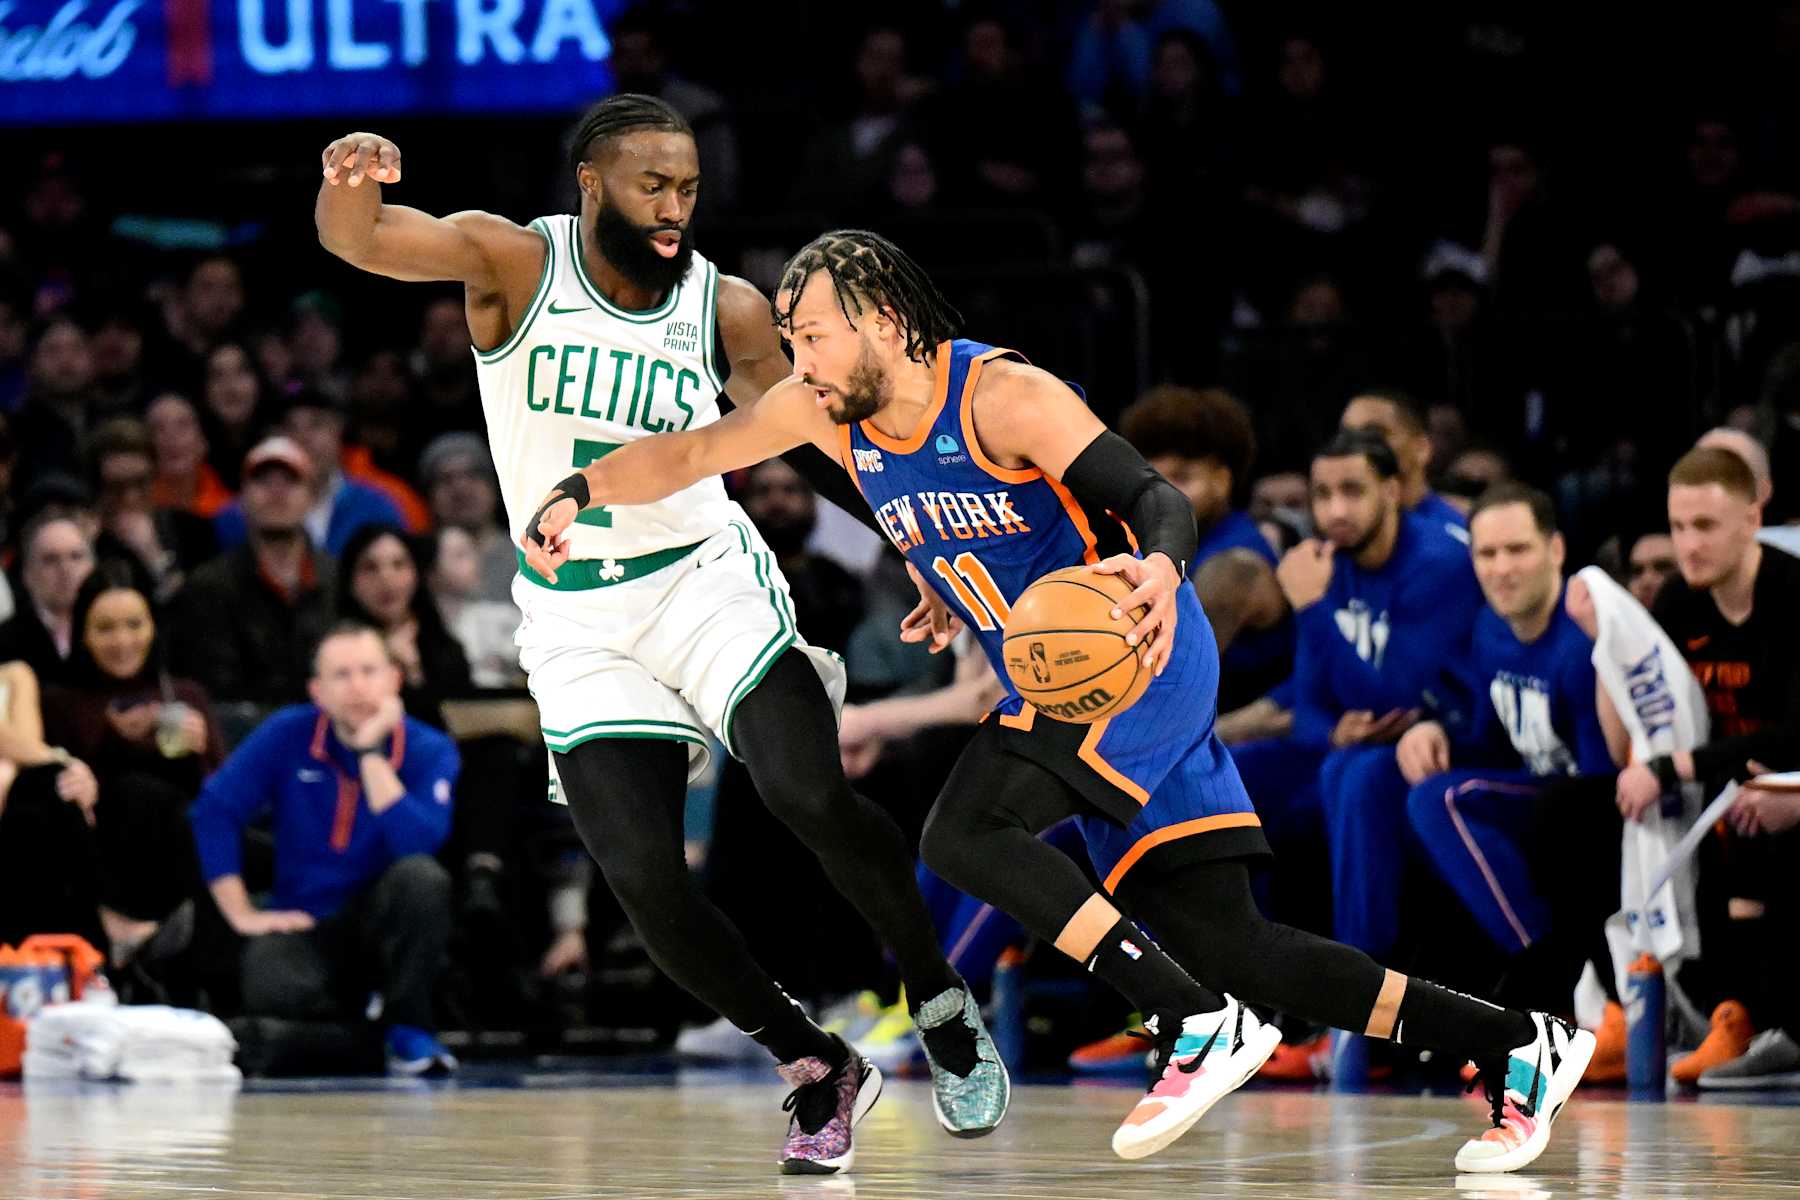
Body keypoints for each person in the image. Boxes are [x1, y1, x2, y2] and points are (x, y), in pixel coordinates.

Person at [526, 228, 1594, 1174]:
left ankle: (1190, 1023)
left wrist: (1166, 571)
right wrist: (581, 491)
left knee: (962, 832)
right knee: (1239, 946)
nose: (796, 359)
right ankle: (1515, 1044)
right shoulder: (824, 412)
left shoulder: (1000, 394)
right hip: (1066, 680)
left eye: (812, 334)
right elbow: (689, 452)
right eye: (792, 340)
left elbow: (1151, 497)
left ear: (885, 321)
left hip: (1137, 654)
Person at [313, 98, 997, 1173]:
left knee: (803, 789)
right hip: (577, 613)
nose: (674, 205)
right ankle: (814, 1062)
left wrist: (913, 538)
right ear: (590, 181)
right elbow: (359, 240)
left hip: (701, 581)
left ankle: (936, 989)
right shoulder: (512, 264)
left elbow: (817, 433)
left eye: (685, 186)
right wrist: (350, 176)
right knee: (643, 880)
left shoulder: (723, 308)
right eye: (651, 185)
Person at [188, 622, 462, 1075]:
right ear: (318, 691)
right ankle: (372, 1035)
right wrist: (241, 912)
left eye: (369, 671)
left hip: (384, 922)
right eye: (342, 675)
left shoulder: (430, 748)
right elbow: (213, 811)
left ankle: (408, 1025)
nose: (357, 686)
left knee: (423, 879)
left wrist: (371, 751)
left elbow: (420, 843)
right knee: (268, 982)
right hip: (306, 923)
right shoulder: (288, 733)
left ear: (394, 680)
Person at [1613, 448, 1800, 1087]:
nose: (1688, 545)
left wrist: (1675, 767)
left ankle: (1761, 1021)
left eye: (1706, 527)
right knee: (1596, 812)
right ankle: (1624, 1009)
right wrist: (1604, 650)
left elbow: (1794, 735)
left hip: (1780, 787)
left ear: (1753, 518)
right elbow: (1638, 723)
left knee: (1757, 817)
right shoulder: (1676, 601)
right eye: (1678, 526)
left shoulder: (1792, 594)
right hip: (1712, 790)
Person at [1394, 485, 1612, 1010]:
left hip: (1589, 803)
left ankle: (1542, 966)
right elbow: (1490, 747)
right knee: (1411, 789)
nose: (1502, 569)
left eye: (1518, 550)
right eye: (1487, 554)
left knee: (1441, 801)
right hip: (1533, 789)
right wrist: (1429, 730)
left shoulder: (1584, 636)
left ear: (1556, 551)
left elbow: (1600, 778)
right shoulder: (1489, 629)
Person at [43, 562, 222, 974]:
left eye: (133, 624)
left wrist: (197, 750)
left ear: (153, 627)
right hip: (104, 862)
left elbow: (220, 792)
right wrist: (116, 739)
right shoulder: (62, 701)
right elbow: (66, 792)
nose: (122, 641)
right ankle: (133, 933)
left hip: (183, 853)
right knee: (137, 792)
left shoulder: (185, 694)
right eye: (105, 628)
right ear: (83, 635)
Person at [167, 437, 335, 708]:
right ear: (242, 497)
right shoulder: (206, 587)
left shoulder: (340, 579)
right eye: (263, 481)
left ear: (311, 497)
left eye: (290, 481)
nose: (276, 493)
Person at [334, 524, 472, 731]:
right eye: (370, 567)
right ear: (350, 581)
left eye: (399, 565)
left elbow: (452, 728)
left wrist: (413, 672)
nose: (386, 578)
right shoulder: (332, 651)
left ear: (417, 574)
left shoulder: (445, 648)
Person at [1340, 389, 1468, 542]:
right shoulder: (1335, 538)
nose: (1356, 445)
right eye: (1348, 435)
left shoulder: (1462, 534)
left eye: (1374, 433)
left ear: (1421, 448)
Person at [0, 513, 96, 687]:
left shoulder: (116, 630)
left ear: (93, 566)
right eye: (51, 559)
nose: (65, 569)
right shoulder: (5, 641)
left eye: (76, 556)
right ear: (27, 573)